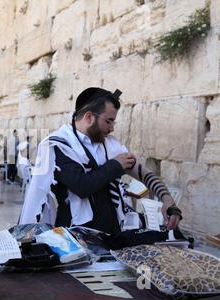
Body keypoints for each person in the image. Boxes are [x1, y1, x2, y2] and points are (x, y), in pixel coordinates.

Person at [19, 87, 182, 236]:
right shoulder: (57, 145)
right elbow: (81, 185)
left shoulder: (109, 144)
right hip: (74, 238)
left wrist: (167, 199)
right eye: (108, 121)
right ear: (89, 117)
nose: (111, 128)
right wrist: (115, 165)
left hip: (111, 235)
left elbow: (142, 173)